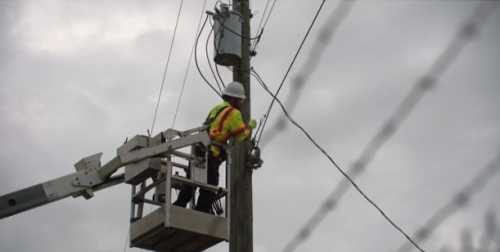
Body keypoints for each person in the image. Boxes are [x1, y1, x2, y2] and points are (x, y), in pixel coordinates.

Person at [173, 81, 256, 213]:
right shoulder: (234, 113)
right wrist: (250, 126)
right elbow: (241, 136)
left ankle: (177, 207)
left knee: (191, 182)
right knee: (210, 186)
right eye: (240, 100)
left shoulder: (216, 109)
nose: (241, 103)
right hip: (212, 153)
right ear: (234, 99)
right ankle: (201, 213)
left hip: (199, 150)